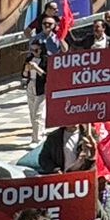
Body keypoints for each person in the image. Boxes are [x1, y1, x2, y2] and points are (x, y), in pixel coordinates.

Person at [25, 12, 65, 148]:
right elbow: (30, 55)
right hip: (36, 76)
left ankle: (38, 137)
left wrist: (62, 37)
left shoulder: (57, 38)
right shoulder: (36, 39)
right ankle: (38, 132)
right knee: (34, 110)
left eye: (49, 24)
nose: (46, 26)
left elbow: (64, 51)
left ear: (54, 26)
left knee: (40, 109)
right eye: (44, 24)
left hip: (52, 74)